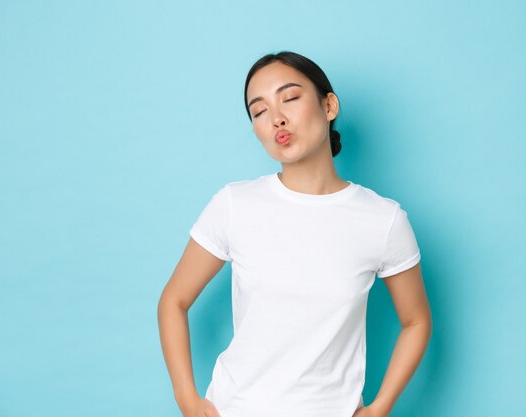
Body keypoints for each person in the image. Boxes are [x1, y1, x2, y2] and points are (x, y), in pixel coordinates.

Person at [157, 51, 432, 417]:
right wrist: (187, 399)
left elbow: (416, 321)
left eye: (289, 98)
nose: (276, 118)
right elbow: (173, 300)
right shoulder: (235, 204)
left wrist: (380, 407)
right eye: (259, 111)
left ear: (329, 105)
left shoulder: (383, 220)